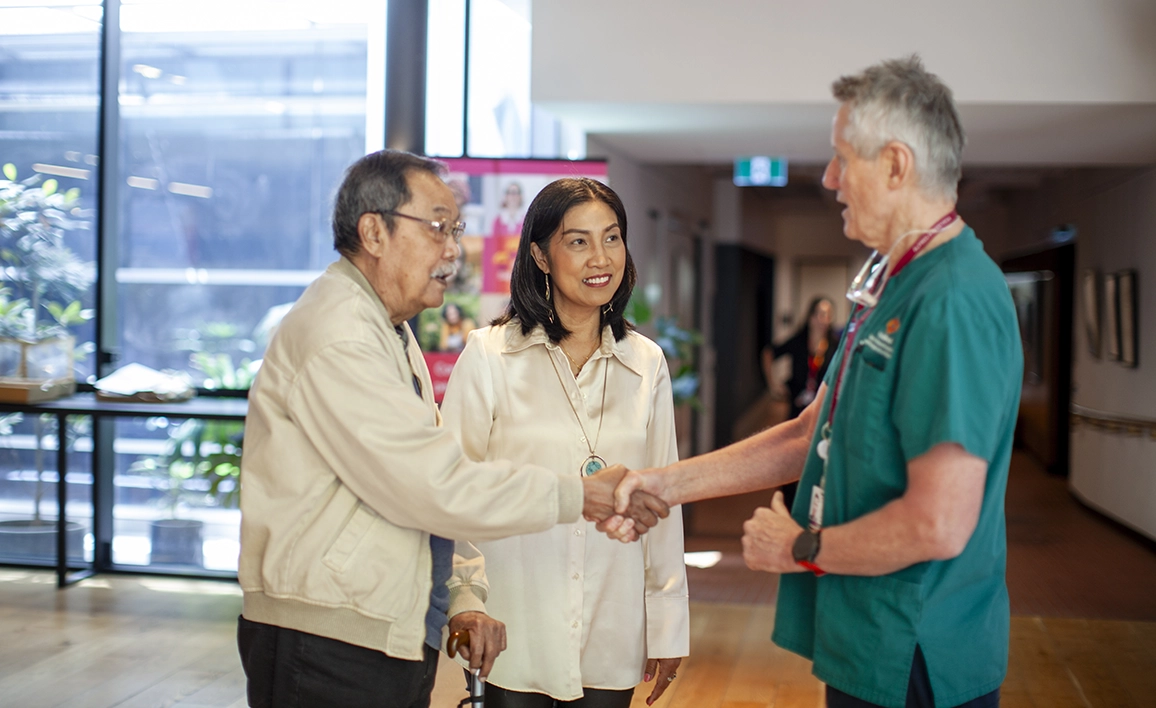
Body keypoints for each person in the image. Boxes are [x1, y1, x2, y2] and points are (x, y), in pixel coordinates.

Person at [611, 55, 1022, 708]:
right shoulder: (896, 282)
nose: (830, 179)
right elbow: (809, 432)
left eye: (841, 159)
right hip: (867, 641)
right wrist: (663, 485)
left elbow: (939, 525)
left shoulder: (950, 298)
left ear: (894, 164)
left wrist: (800, 545)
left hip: (916, 657)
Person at [236, 150, 668, 708]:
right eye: (437, 227)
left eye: (456, 228)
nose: (451, 249)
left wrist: (461, 590)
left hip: (375, 621)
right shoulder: (342, 335)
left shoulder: (386, 329)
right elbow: (434, 482)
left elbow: (431, 480)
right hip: (327, 636)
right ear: (373, 231)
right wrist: (578, 495)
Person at [440, 178, 689, 708]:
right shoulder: (489, 356)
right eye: (578, 241)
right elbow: (453, 490)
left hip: (613, 624)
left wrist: (668, 623)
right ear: (540, 255)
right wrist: (466, 599)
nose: (601, 258)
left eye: (612, 237)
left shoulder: (646, 364)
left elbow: (660, 498)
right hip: (511, 624)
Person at [761, 296, 839, 507]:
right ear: (811, 317)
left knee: (818, 457)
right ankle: (789, 504)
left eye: (828, 314)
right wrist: (773, 385)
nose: (824, 319)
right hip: (797, 409)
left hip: (822, 411)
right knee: (792, 453)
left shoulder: (835, 344)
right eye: (820, 314)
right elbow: (769, 352)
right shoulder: (798, 341)